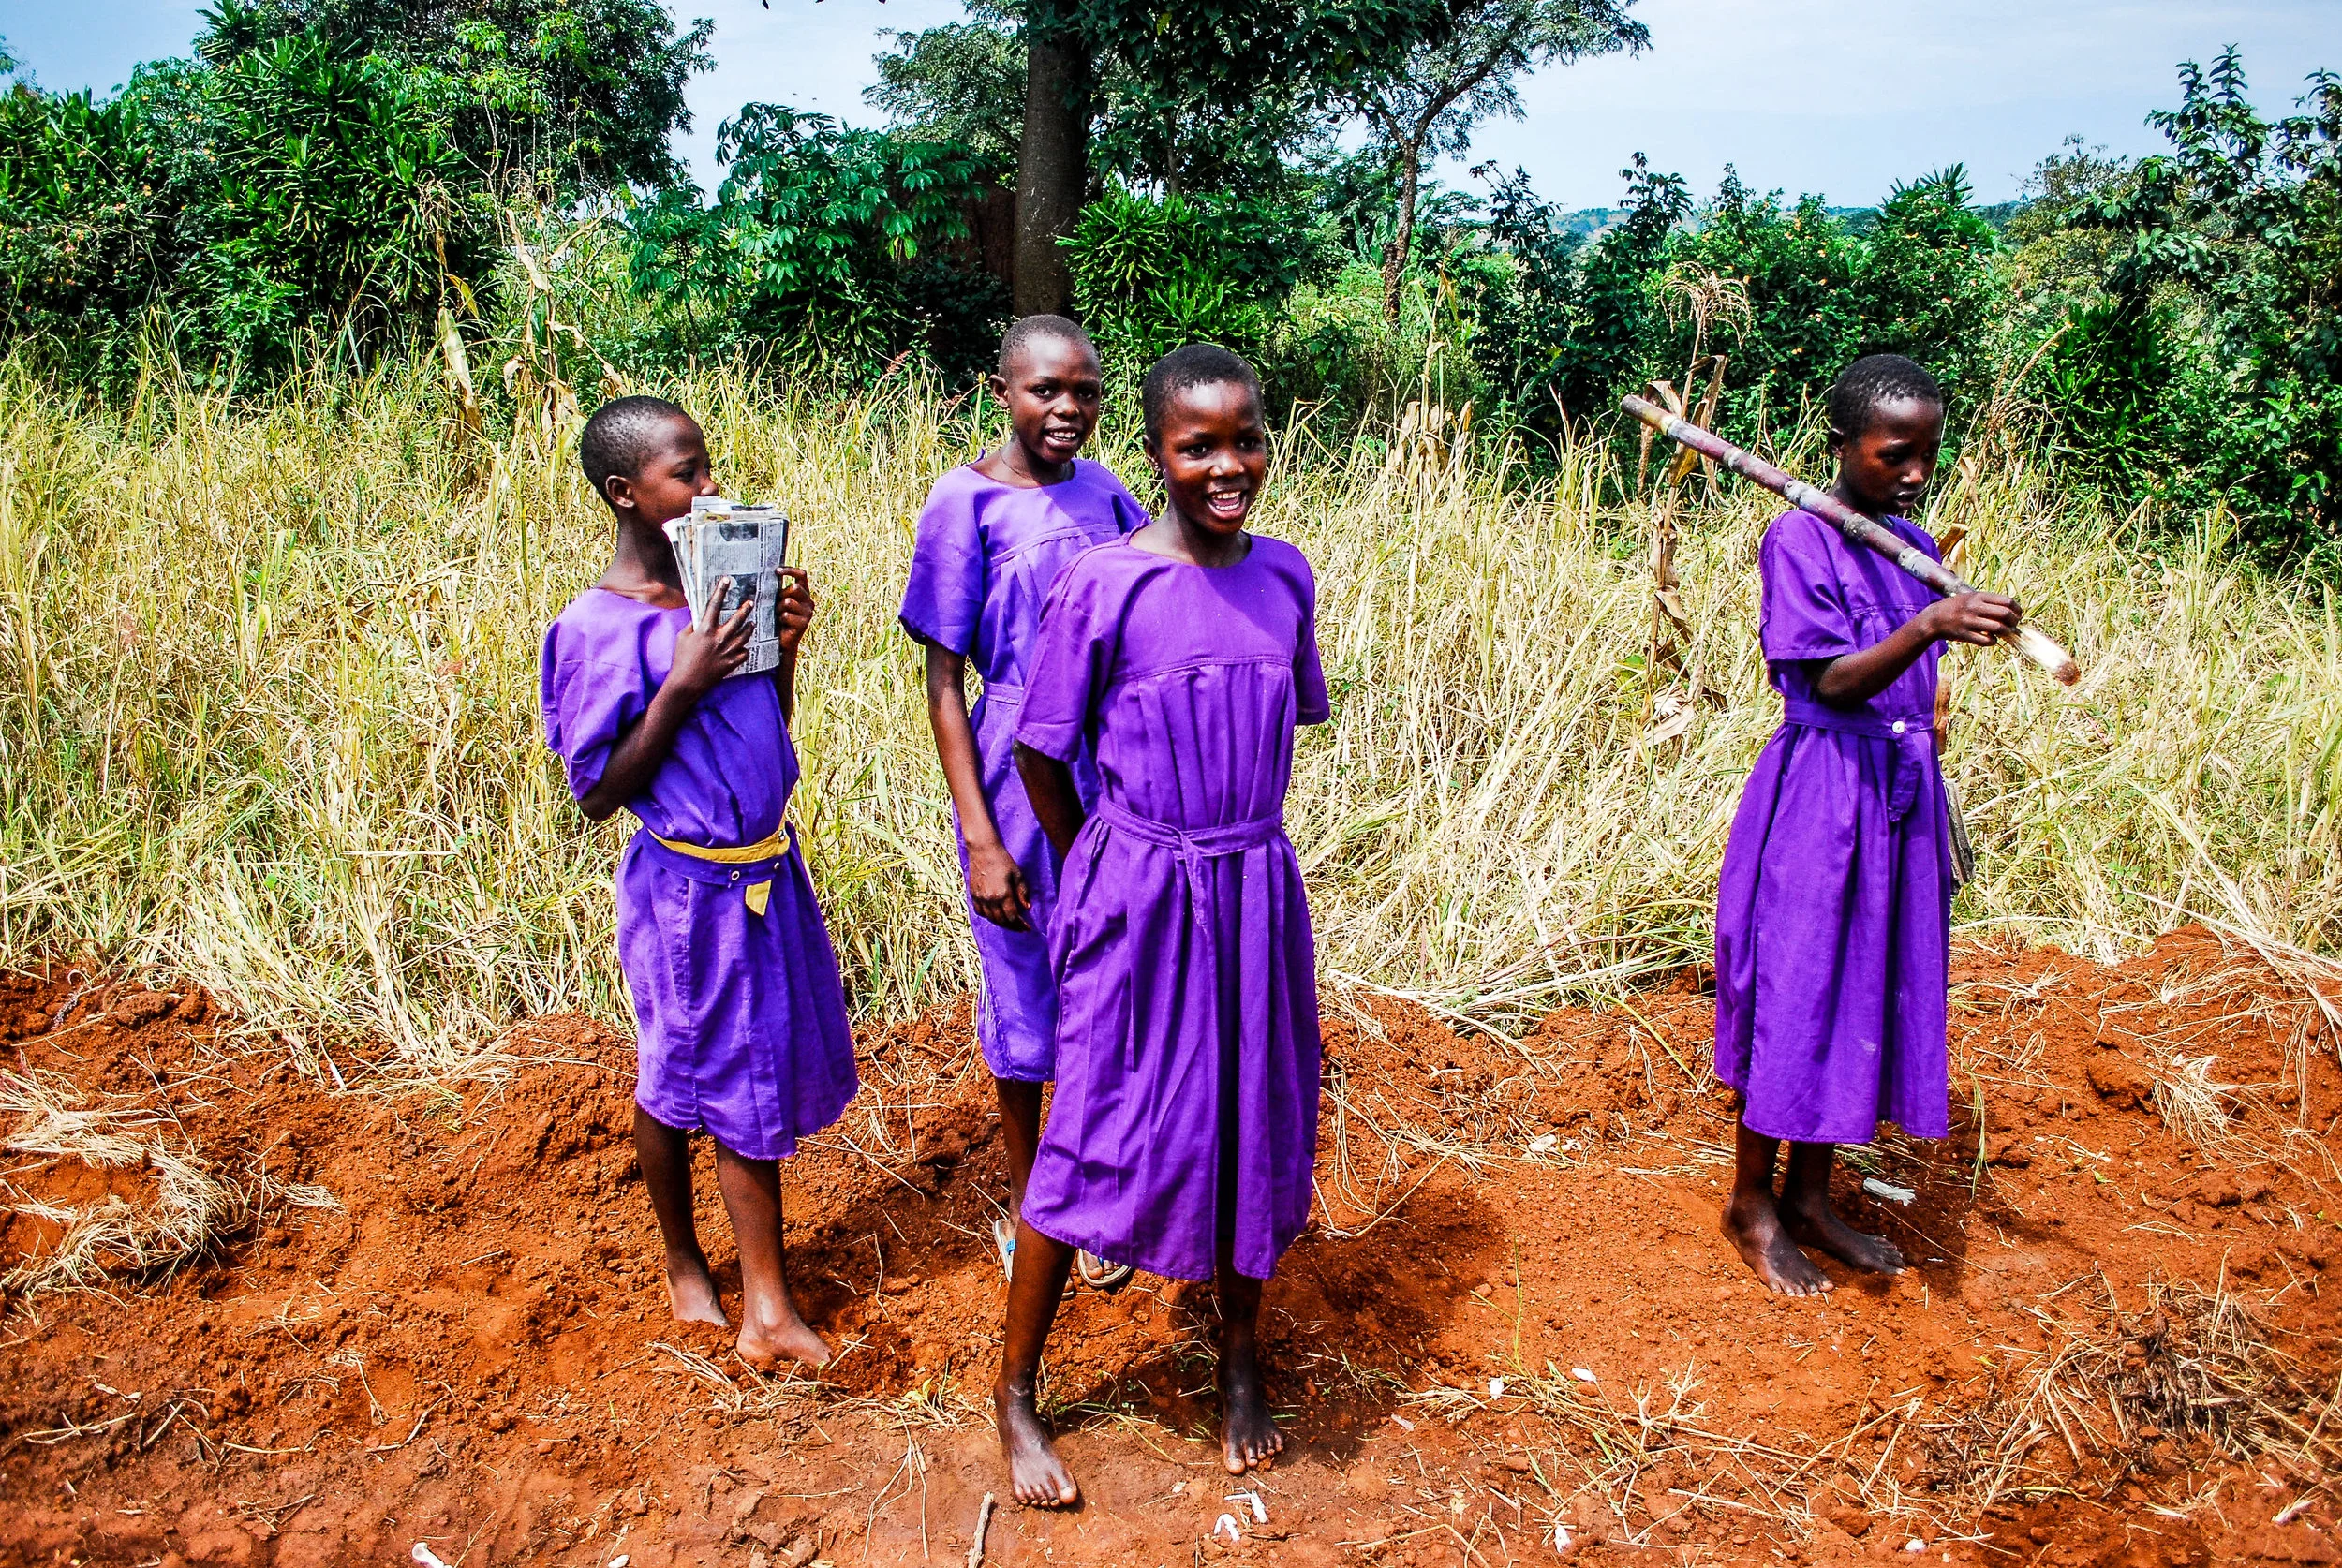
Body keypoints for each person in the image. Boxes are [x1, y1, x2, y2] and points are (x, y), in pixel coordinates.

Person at [994, 344, 1331, 1504]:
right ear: (1158, 455)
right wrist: (1099, 853)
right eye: (1198, 447)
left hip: (1252, 891)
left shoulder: (1285, 577)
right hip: (1139, 892)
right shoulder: (1105, 582)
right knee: (1091, 1126)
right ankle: (1017, 1392)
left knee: (1252, 1119)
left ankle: (1236, 1361)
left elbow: (1284, 712)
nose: (1226, 466)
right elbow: (1041, 744)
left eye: (1244, 440)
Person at [541, 395, 859, 1368]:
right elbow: (598, 791)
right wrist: (680, 680)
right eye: (685, 474)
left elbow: (767, 732)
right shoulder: (595, 629)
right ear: (623, 494)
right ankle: (741, 1292)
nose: (707, 488)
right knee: (720, 1078)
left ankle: (719, 1273)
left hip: (765, 875)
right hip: (686, 893)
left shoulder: (719, 593)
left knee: (703, 1069)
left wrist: (783, 649)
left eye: (706, 467)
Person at [1712, 355, 2021, 1296]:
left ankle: (1813, 1195)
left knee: (1866, 989)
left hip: (1897, 799)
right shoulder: (1798, 541)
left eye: (1928, 453)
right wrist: (1928, 627)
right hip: (1820, 792)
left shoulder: (1912, 544)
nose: (1915, 473)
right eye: (1895, 454)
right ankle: (1752, 1203)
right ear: (1843, 448)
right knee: (1799, 986)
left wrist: (1955, 627)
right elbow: (1830, 682)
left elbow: (1912, 689)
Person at [898, 316, 1149, 1284]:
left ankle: (1106, 1190)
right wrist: (980, 836)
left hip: (1110, 762)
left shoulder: (1109, 493)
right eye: (1046, 390)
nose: (1067, 410)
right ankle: (1031, 1200)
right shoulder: (962, 505)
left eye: (1084, 391)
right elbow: (941, 684)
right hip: (1009, 767)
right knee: (1022, 992)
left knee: (1111, 979)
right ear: (998, 391)